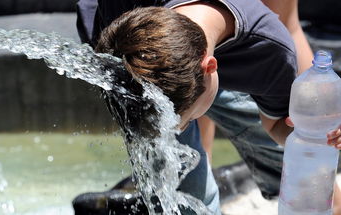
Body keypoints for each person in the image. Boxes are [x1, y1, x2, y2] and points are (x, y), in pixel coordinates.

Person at [76, 0, 341, 214]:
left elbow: (275, 125)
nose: (173, 133)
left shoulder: (269, 50)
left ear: (211, 66)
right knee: (186, 189)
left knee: (305, 175)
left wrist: (314, 135)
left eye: (186, 118)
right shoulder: (123, 32)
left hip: (234, 64)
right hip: (154, 68)